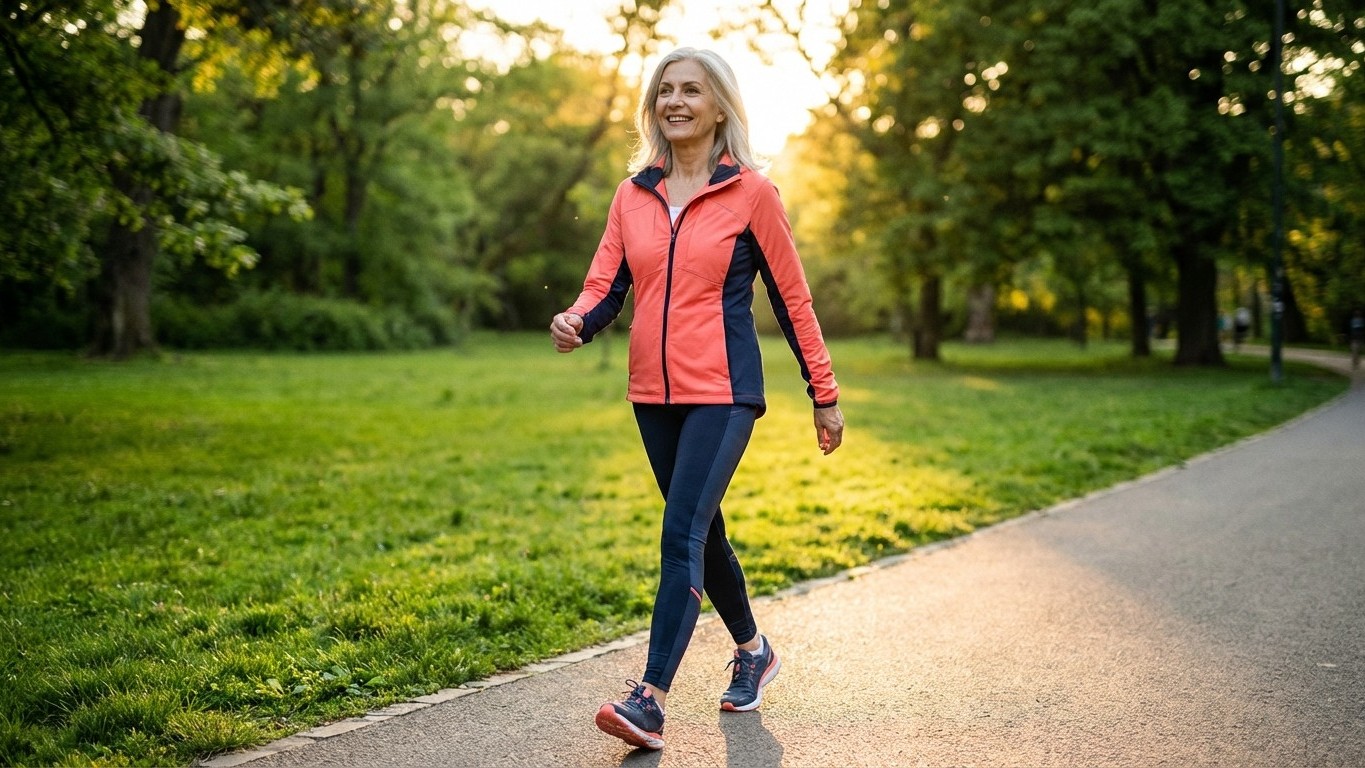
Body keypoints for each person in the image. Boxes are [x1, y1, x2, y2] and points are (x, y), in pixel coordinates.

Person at [549, 47, 844, 751]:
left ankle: (648, 700)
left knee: (679, 533)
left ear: (718, 107)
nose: (674, 101)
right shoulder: (633, 193)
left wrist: (823, 394)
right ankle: (753, 650)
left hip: (724, 392)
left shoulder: (752, 194)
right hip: (650, 393)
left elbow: (792, 300)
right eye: (665, 90)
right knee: (701, 533)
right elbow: (606, 284)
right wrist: (577, 320)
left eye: (691, 90)